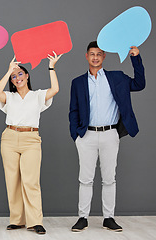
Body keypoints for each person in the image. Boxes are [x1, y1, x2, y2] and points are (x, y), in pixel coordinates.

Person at [69, 41, 145, 232]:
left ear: (104, 57)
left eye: (99, 54)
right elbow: (74, 111)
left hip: (110, 134)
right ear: (86, 56)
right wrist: (76, 135)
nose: (95, 57)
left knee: (109, 178)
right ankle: (82, 218)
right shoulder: (77, 82)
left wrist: (135, 58)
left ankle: (108, 218)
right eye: (92, 54)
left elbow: (139, 84)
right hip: (87, 136)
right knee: (85, 179)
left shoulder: (117, 77)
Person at [0, 52, 61, 235]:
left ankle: (35, 221)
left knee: (31, 181)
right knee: (12, 181)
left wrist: (51, 67)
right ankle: (17, 220)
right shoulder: (9, 96)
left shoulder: (38, 96)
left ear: (27, 76)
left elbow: (54, 89)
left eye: (20, 74)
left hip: (31, 139)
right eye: (14, 76)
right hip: (9, 137)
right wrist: (9, 70)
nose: (17, 78)